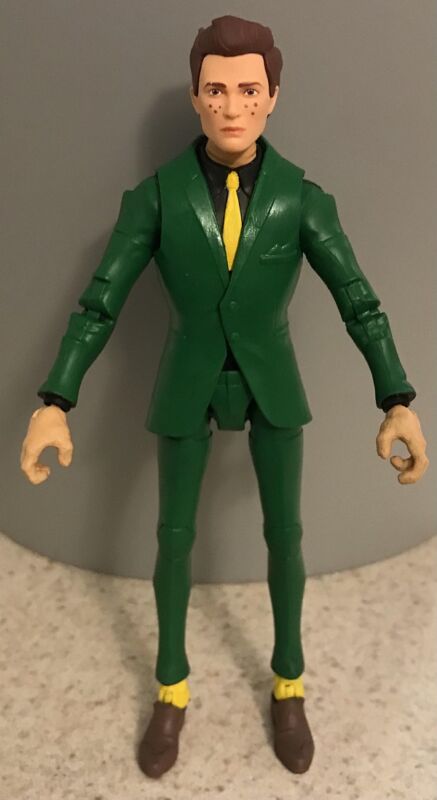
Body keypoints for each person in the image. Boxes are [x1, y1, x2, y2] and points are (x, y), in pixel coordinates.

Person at [20, 14, 429, 780]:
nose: (232, 106)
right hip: (187, 379)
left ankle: (289, 681)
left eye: (247, 90)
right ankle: (170, 687)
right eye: (216, 90)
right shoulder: (155, 198)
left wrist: (394, 398)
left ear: (272, 96)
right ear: (195, 96)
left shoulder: (301, 199)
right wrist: (56, 400)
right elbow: (99, 303)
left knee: (286, 537)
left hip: (273, 385)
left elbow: (359, 301)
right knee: (171, 539)